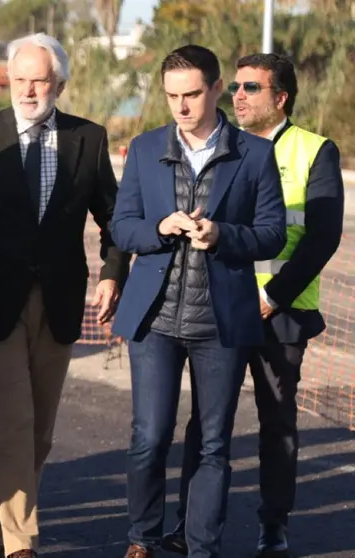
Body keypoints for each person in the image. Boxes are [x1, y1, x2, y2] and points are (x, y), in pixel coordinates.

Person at [0, 33, 129, 558]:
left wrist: (112, 273)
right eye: (20, 79)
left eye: (39, 80)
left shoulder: (87, 140)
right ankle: (22, 543)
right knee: (13, 420)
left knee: (40, 431)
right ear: (9, 80)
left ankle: (4, 538)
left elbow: (113, 216)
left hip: (61, 301)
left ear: (59, 84)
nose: (28, 89)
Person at [162, 53, 344, 558]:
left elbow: (322, 238)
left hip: (277, 312)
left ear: (280, 97)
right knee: (205, 422)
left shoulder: (314, 151)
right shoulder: (221, 145)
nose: (238, 95)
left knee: (277, 421)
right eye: (235, 86)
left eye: (251, 88)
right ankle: (189, 525)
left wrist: (271, 294)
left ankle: (274, 524)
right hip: (216, 305)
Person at [110, 45, 287, 558]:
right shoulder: (144, 149)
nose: (182, 106)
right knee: (149, 437)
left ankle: (200, 544)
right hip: (156, 318)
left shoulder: (254, 153)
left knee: (213, 443)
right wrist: (160, 228)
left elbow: (273, 234)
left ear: (216, 90)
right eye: (172, 96)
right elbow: (122, 226)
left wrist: (222, 235)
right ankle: (142, 537)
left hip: (222, 320)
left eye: (191, 94)